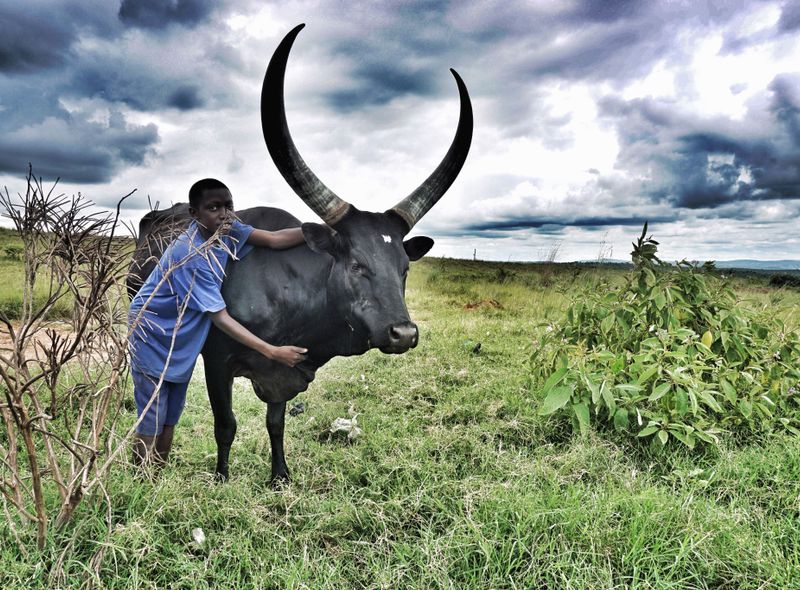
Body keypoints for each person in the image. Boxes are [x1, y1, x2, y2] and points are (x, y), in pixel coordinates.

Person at [128, 178, 307, 467]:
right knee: (153, 412)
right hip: (153, 332)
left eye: (228, 206)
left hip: (184, 334)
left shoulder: (229, 230)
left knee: (173, 409)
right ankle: (140, 477)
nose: (224, 213)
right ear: (194, 214)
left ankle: (157, 471)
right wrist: (272, 351)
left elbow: (274, 239)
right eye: (213, 208)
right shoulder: (190, 254)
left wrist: (323, 231)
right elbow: (220, 317)